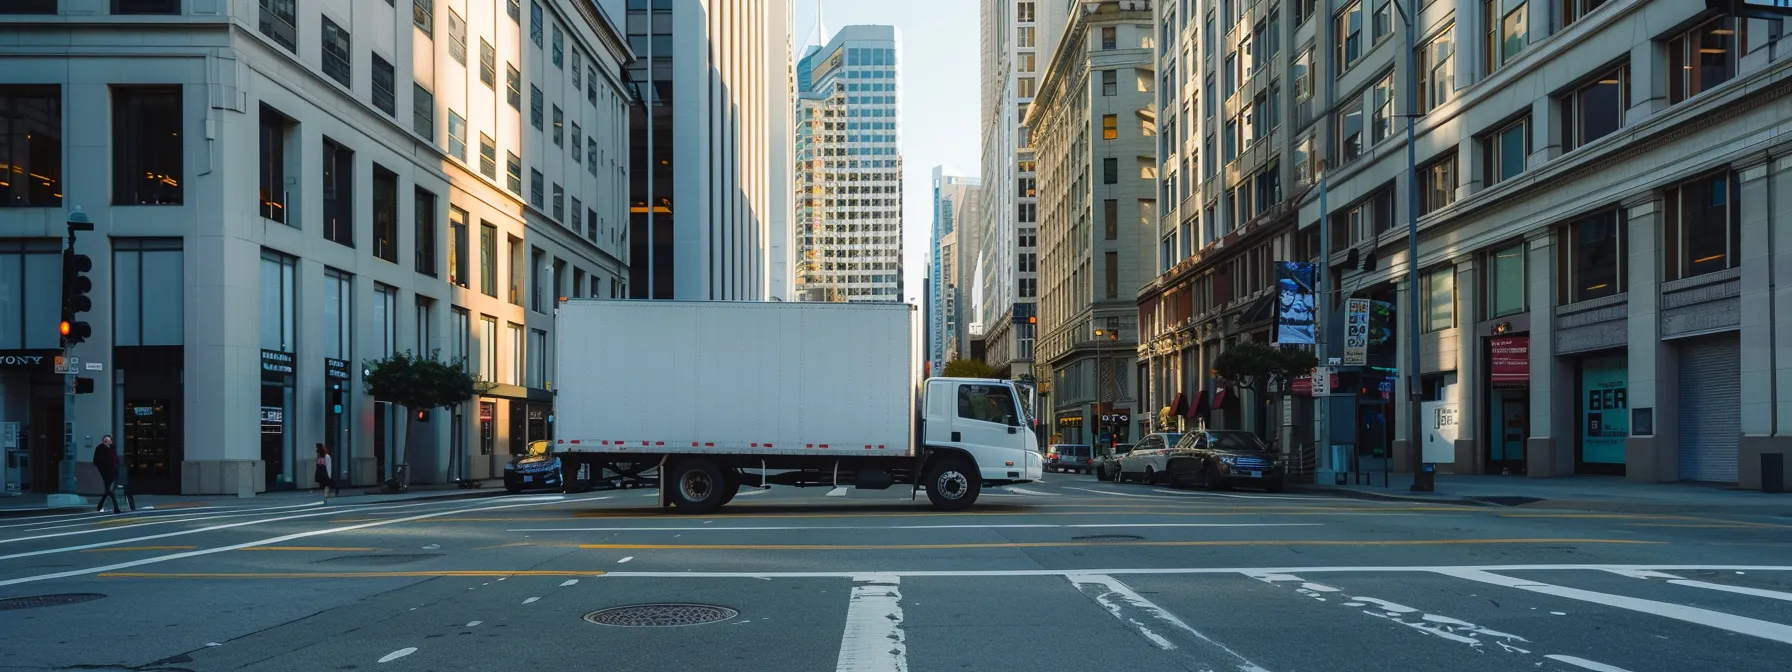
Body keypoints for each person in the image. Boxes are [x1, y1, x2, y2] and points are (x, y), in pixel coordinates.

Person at [93, 435, 123, 514]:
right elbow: (96, 460)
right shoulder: (100, 448)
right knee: (109, 490)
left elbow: (115, 458)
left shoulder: (112, 448)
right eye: (108, 440)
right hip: (105, 472)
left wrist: (116, 466)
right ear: (104, 441)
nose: (109, 442)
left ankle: (100, 506)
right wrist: (102, 467)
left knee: (108, 490)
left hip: (113, 471)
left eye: (110, 440)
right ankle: (116, 508)